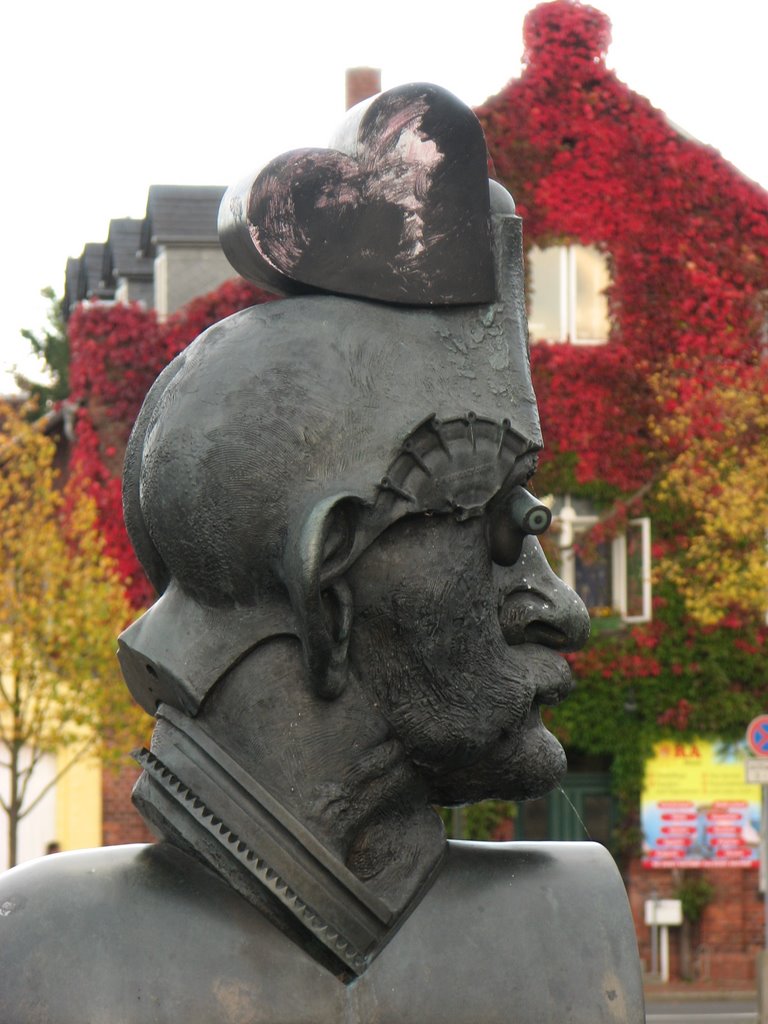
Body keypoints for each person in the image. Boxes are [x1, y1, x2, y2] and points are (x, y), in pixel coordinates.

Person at [0, 84, 643, 1022]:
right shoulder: (41, 955)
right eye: (503, 530)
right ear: (330, 583)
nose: (560, 607)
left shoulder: (572, 918)